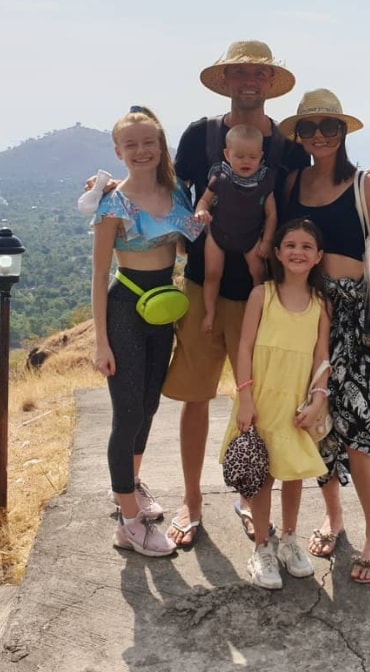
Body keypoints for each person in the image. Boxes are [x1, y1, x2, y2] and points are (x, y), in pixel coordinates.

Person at [162, 40, 310, 547]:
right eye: (240, 73)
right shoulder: (200, 137)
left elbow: (304, 204)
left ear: (271, 83)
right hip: (205, 284)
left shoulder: (289, 150)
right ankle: (191, 500)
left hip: (265, 296)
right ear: (225, 81)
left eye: (259, 74)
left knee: (262, 404)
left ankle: (252, 498)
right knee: (196, 398)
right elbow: (173, 194)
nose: (250, 81)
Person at [279, 89, 370, 583]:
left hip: (354, 314)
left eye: (329, 126)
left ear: (343, 132)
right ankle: (333, 515)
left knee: (357, 423)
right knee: (315, 418)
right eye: (309, 128)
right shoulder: (290, 183)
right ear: (299, 136)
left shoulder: (365, 183)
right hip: (306, 311)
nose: (320, 135)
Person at [90, 105, 201, 557]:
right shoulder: (113, 202)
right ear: (118, 151)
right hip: (124, 309)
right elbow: (98, 276)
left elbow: (198, 233)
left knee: (149, 404)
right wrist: (101, 341)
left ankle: (131, 487)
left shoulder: (177, 195)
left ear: (160, 147)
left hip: (164, 310)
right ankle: (129, 522)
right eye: (130, 144)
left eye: (148, 143)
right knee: (127, 413)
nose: (140, 151)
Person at [221, 218, 330, 589]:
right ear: (279, 253)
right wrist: (245, 397)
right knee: (263, 475)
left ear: (318, 257)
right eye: (291, 245)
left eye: (306, 246)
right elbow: (245, 348)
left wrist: (318, 399)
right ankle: (262, 547)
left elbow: (321, 357)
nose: (298, 252)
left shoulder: (320, 304)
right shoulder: (261, 295)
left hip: (296, 401)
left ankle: (289, 540)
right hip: (261, 398)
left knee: (293, 471)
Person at [195, 123, 277, 333]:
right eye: (239, 156)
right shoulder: (220, 178)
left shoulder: (265, 181)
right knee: (212, 273)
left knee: (258, 272)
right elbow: (203, 201)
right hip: (218, 233)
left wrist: (267, 241)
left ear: (260, 155)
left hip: (249, 236)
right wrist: (201, 212)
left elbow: (271, 215)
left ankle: (262, 312)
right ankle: (210, 313)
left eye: (252, 156)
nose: (246, 161)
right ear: (227, 154)